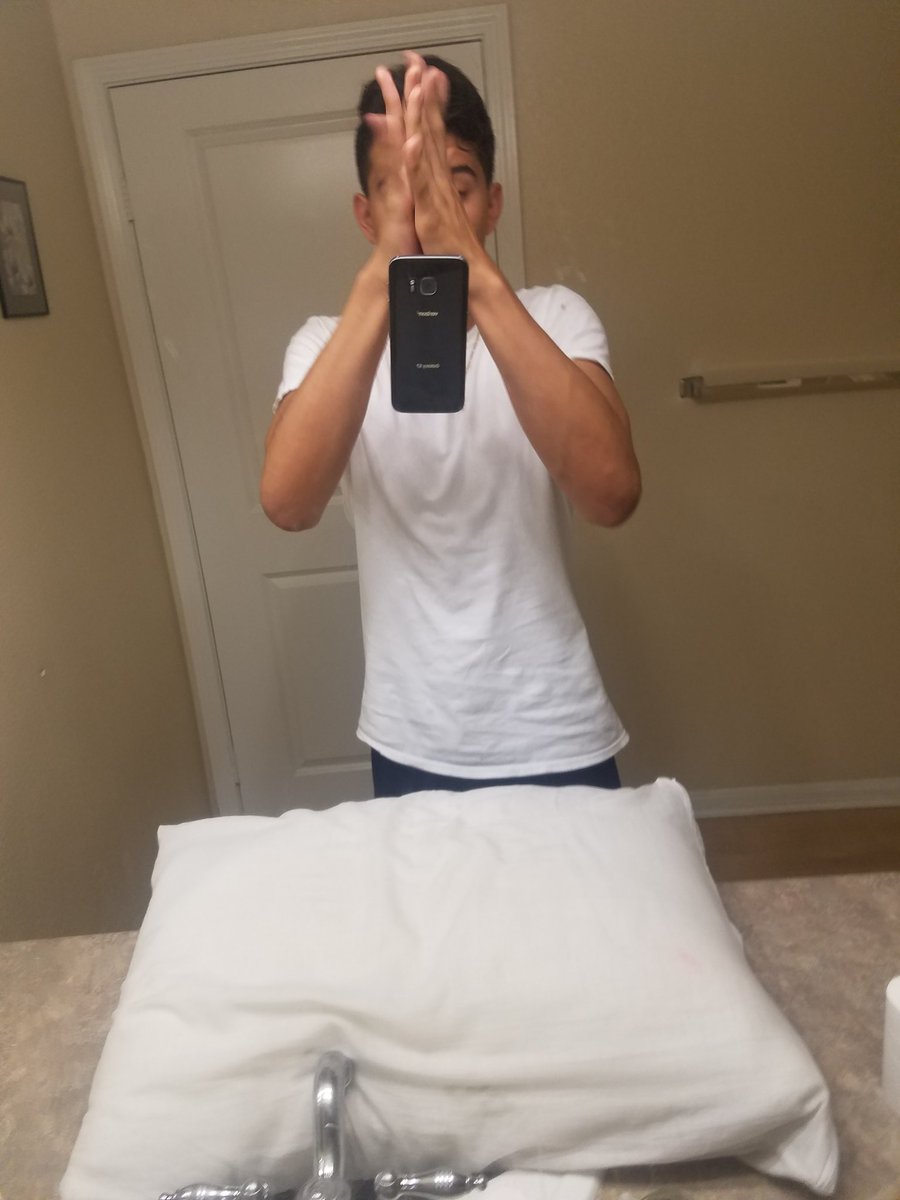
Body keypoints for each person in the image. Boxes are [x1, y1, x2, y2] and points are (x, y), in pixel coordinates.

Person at [260, 52, 641, 798]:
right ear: (365, 215)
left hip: (555, 720)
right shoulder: (322, 344)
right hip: (411, 731)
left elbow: (611, 495)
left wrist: (465, 259)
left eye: (452, 186)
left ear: (491, 205)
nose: (427, 210)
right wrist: (386, 268)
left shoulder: (556, 317)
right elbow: (289, 504)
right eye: (399, 192)